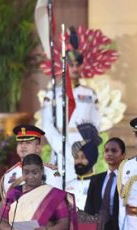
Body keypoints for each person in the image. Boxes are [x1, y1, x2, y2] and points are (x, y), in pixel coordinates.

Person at [41, 27, 102, 183]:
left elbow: (96, 125)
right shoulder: (52, 95)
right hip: (59, 149)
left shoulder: (90, 94)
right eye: (71, 64)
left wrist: (84, 150)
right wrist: (66, 151)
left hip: (83, 154)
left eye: (78, 64)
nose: (75, 68)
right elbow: (47, 126)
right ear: (65, 66)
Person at [0, 154, 77, 230]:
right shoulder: (14, 193)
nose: (30, 176)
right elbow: (2, 223)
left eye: (35, 172)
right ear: (22, 172)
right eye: (26, 172)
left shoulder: (52, 194)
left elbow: (64, 222)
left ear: (42, 172)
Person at [0, 125, 62, 199]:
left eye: (28, 143)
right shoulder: (8, 174)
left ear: (38, 148)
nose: (23, 146)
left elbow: (58, 201)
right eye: (20, 143)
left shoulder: (52, 172)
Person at [64, 136, 100, 211]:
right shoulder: (67, 186)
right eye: (76, 157)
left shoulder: (99, 185)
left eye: (83, 157)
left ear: (92, 159)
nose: (79, 161)